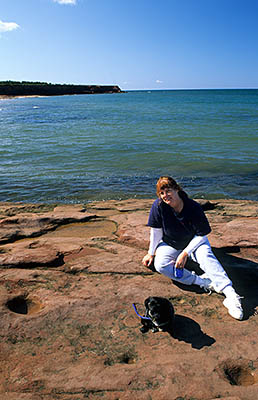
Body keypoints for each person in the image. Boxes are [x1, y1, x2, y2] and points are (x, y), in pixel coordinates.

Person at [142, 176, 243, 320]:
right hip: (171, 242)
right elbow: (156, 232)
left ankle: (231, 295)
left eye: (168, 191)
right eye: (162, 193)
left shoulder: (193, 207)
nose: (165, 196)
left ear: (177, 189)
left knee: (206, 258)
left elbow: (202, 235)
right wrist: (150, 253)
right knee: (160, 265)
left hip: (195, 242)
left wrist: (185, 253)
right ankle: (204, 282)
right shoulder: (158, 206)